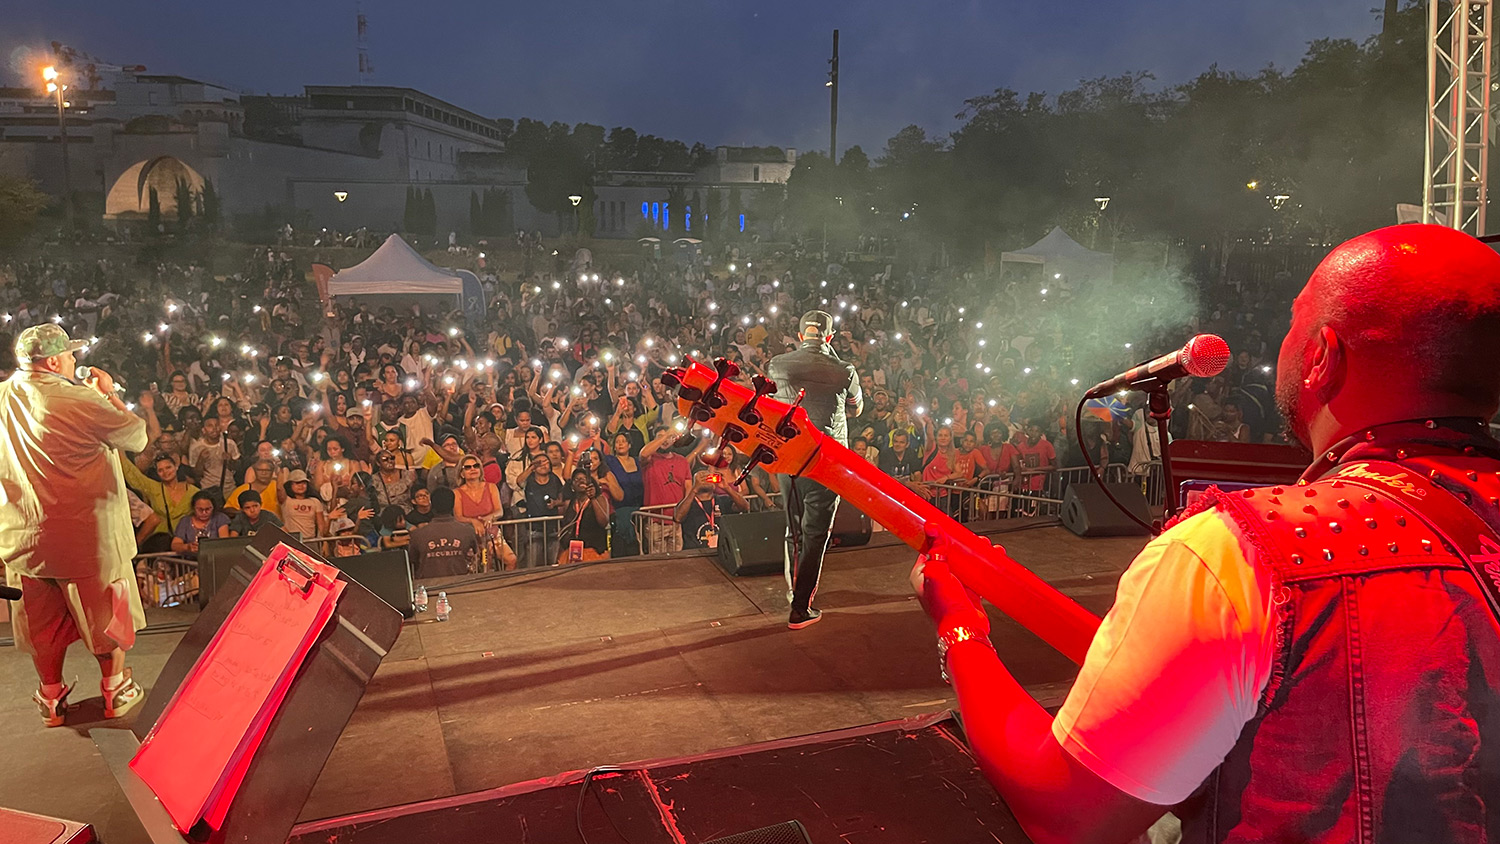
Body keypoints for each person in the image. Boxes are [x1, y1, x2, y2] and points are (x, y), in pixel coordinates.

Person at [908, 224, 1500, 843]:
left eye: (1295, 319)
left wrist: (960, 628)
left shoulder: (1238, 554)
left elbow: (1065, 814)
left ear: (1323, 354)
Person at [0, 324, 149, 726]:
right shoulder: (76, 397)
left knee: (41, 623)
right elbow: (136, 436)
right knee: (107, 617)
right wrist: (111, 395)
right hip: (87, 537)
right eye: (69, 355)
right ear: (53, 361)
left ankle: (51, 698)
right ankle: (115, 689)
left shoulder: (2, 395)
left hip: (24, 537)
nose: (73, 361)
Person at [767, 311, 862, 629]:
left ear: (798, 333)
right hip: (825, 460)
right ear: (830, 337)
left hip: (788, 456)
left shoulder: (779, 364)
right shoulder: (843, 369)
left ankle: (795, 591)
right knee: (815, 533)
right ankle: (800, 607)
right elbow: (856, 406)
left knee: (792, 528)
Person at [409, 486, 479, 578]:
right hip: (461, 583)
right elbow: (477, 554)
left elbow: (412, 560)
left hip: (428, 585)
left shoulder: (417, 534)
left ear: (432, 505)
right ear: (453, 505)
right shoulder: (468, 531)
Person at [171, 491, 231, 555]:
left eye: (208, 509)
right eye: (200, 509)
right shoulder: (185, 521)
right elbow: (175, 545)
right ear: (193, 508)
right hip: (190, 561)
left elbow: (224, 543)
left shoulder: (220, 518)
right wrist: (187, 547)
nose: (204, 513)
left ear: (213, 507)